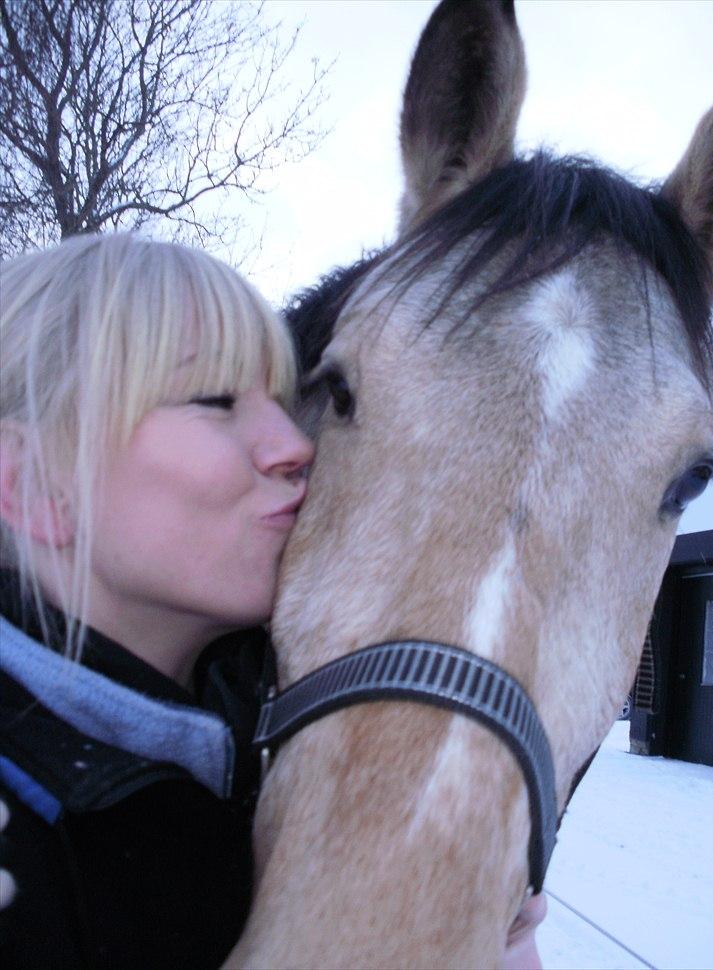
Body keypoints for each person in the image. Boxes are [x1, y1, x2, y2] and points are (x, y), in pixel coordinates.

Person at [0, 233, 545, 969]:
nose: (296, 443)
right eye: (215, 400)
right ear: (30, 483)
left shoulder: (277, 746)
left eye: (285, 401)